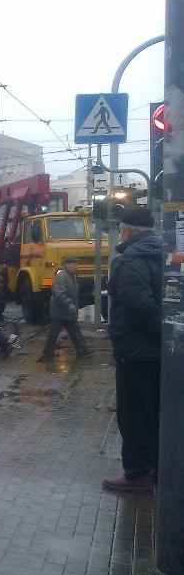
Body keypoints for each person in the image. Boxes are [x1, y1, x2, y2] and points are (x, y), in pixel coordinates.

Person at [102, 209, 162, 493]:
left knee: (134, 414)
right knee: (157, 411)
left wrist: (156, 336)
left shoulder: (129, 263)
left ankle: (138, 473)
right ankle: (158, 467)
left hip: (136, 352)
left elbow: (140, 306)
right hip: (159, 353)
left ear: (127, 231)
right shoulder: (164, 254)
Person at [37, 256, 94, 361]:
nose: (77, 267)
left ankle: (82, 349)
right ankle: (48, 352)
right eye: (75, 265)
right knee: (54, 332)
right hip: (60, 309)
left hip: (67, 310)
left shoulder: (71, 275)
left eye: (77, 265)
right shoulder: (61, 277)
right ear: (67, 265)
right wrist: (68, 304)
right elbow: (59, 293)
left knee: (74, 329)